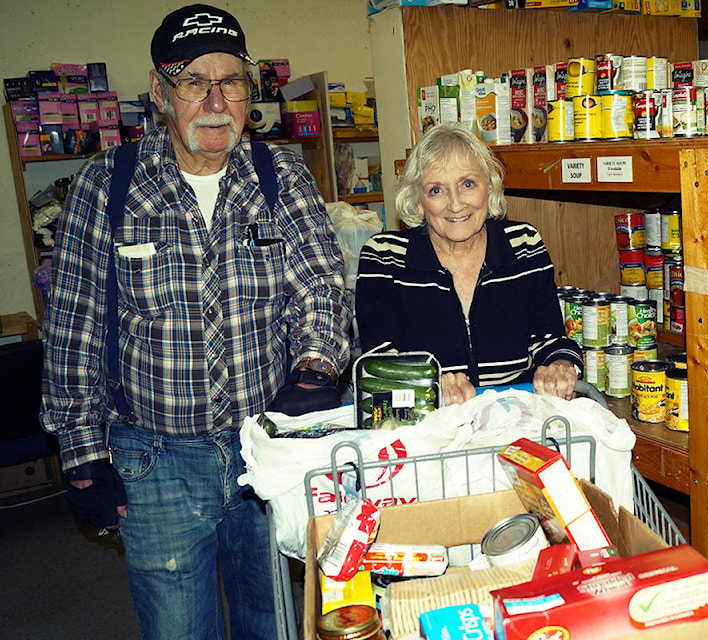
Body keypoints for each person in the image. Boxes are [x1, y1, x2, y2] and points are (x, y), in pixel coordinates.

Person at [40, 5, 351, 639]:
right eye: (193, 82)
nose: (216, 101)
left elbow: (321, 287)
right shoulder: (109, 185)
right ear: (160, 91)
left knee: (274, 620)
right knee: (181, 630)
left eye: (231, 81)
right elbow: (73, 325)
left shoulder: (280, 176)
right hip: (155, 459)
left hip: (266, 452)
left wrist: (316, 369)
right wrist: (81, 454)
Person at [355, 122, 582, 406]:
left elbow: (548, 338)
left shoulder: (523, 243)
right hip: (429, 428)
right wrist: (430, 382)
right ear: (417, 199)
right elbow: (380, 360)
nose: (456, 204)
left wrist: (560, 363)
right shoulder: (385, 256)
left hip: (514, 418)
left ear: (489, 185)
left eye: (467, 184)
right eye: (436, 190)